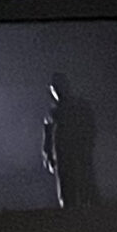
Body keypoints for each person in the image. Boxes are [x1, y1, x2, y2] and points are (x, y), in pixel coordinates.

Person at [39, 72, 97, 207]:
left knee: (82, 186)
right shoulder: (54, 112)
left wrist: (87, 145)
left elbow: (90, 128)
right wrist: (47, 154)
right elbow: (47, 136)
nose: (57, 91)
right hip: (64, 155)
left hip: (77, 153)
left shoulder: (76, 108)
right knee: (68, 189)